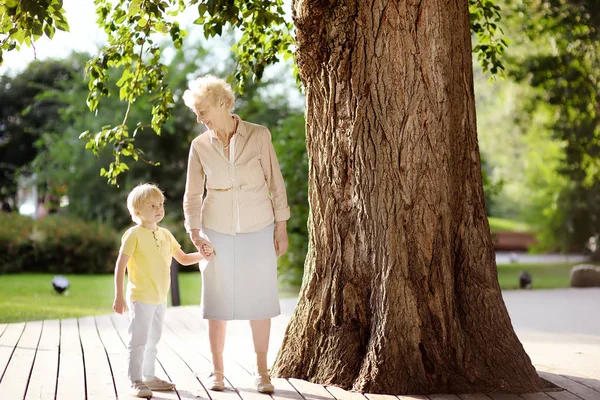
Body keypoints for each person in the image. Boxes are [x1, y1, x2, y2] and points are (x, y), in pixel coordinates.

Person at [182, 75, 290, 394]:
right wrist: (194, 231)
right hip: (215, 229)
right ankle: (217, 371)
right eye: (196, 113)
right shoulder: (199, 145)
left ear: (223, 104)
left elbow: (276, 182)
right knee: (217, 300)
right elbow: (191, 195)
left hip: (259, 225)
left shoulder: (259, 135)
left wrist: (281, 226)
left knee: (261, 298)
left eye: (203, 110)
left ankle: (262, 370)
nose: (199, 118)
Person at [113, 183, 214, 398]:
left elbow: (184, 259)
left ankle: (149, 377)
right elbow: (120, 266)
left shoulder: (166, 235)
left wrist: (205, 255)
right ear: (137, 211)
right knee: (138, 340)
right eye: (152, 205)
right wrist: (119, 296)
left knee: (153, 339)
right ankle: (135, 380)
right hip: (140, 297)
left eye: (161, 204)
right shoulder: (133, 235)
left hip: (160, 298)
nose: (159, 209)